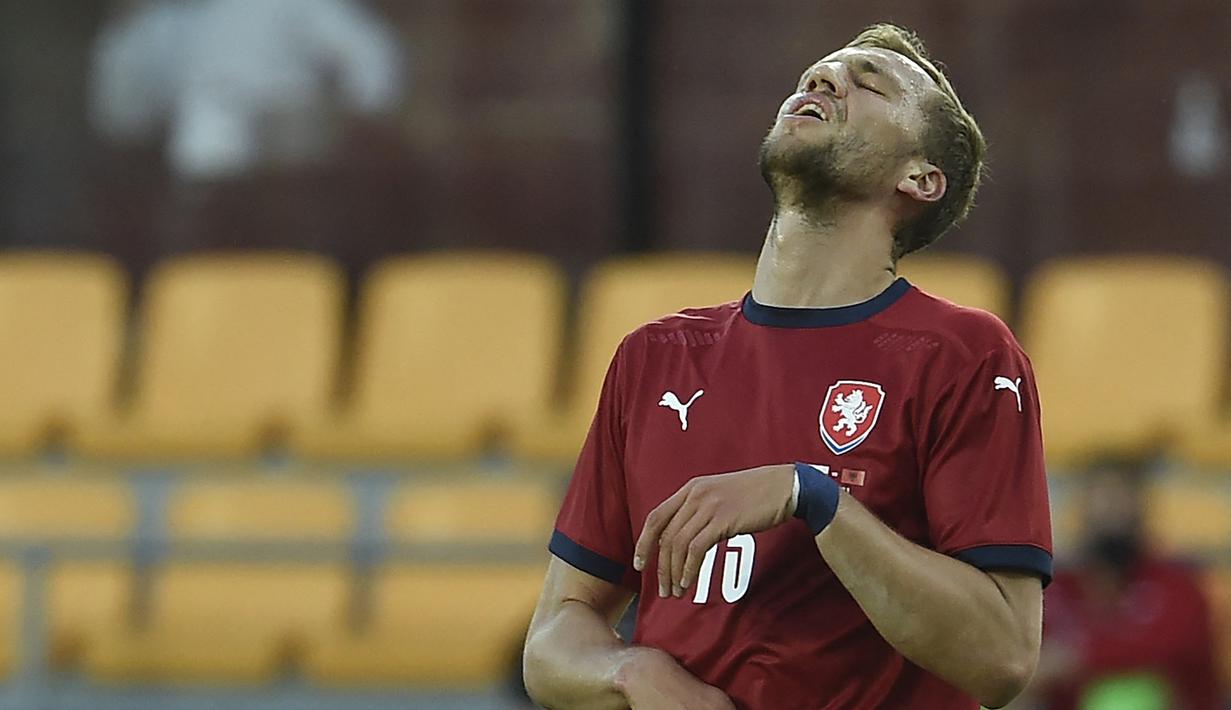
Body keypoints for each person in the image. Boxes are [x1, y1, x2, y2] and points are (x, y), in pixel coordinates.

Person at [523, 23, 1051, 710]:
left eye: (869, 84)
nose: (822, 79)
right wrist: (630, 671)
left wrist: (814, 497)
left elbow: (1002, 656)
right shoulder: (654, 356)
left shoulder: (963, 354)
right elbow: (554, 638)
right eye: (818, 72)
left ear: (919, 179)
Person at [1028, 459, 1220, 709]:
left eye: (1122, 503)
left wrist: (1077, 658)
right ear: (1082, 514)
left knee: (1127, 695)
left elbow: (1170, 648)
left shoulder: (1178, 585)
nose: (1112, 514)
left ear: (1142, 513)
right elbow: (1028, 662)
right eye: (1104, 503)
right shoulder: (1057, 588)